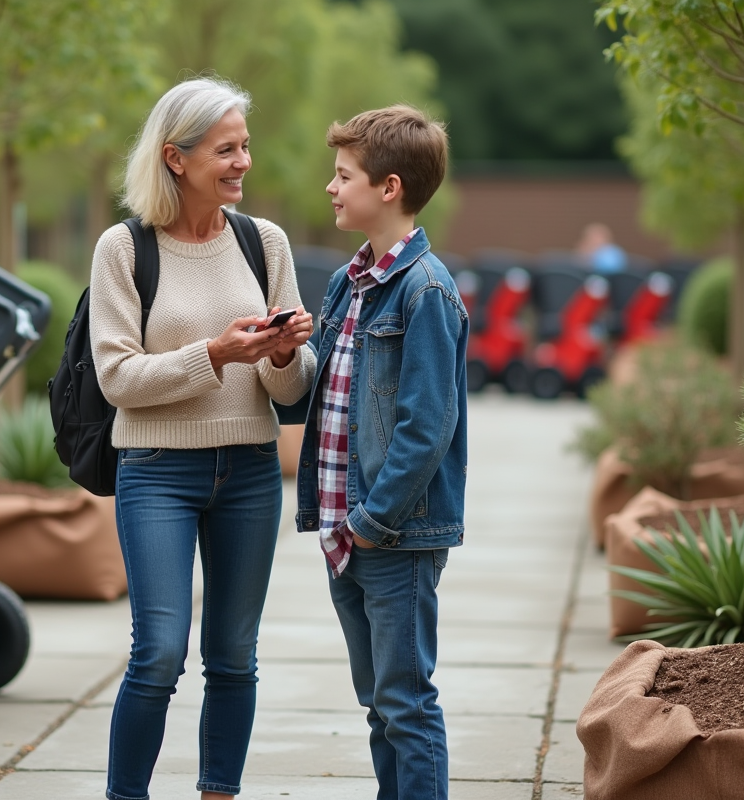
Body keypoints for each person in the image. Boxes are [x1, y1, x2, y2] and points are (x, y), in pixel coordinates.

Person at [89, 76, 316, 800]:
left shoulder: (264, 242)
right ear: (175, 158)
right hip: (156, 470)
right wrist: (216, 355)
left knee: (234, 656)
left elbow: (290, 391)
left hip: (250, 469)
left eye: (245, 146)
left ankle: (219, 792)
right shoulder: (124, 250)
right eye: (226, 149)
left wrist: (283, 354)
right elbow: (117, 379)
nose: (243, 161)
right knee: (157, 652)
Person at [296, 105, 468, 800]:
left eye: (343, 176)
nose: (331, 188)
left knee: (406, 704)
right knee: (379, 706)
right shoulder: (350, 281)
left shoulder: (426, 292)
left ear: (388, 187)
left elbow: (427, 427)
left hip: (390, 535)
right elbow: (321, 391)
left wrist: (371, 522)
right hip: (348, 533)